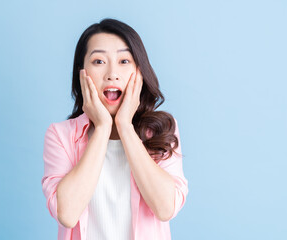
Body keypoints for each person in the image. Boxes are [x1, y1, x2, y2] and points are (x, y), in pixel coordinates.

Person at [41, 18, 188, 240]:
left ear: (139, 72)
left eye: (124, 61)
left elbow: (165, 208)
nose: (112, 74)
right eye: (99, 61)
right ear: (82, 73)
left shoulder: (162, 130)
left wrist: (125, 127)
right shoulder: (60, 135)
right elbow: (68, 215)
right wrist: (101, 128)